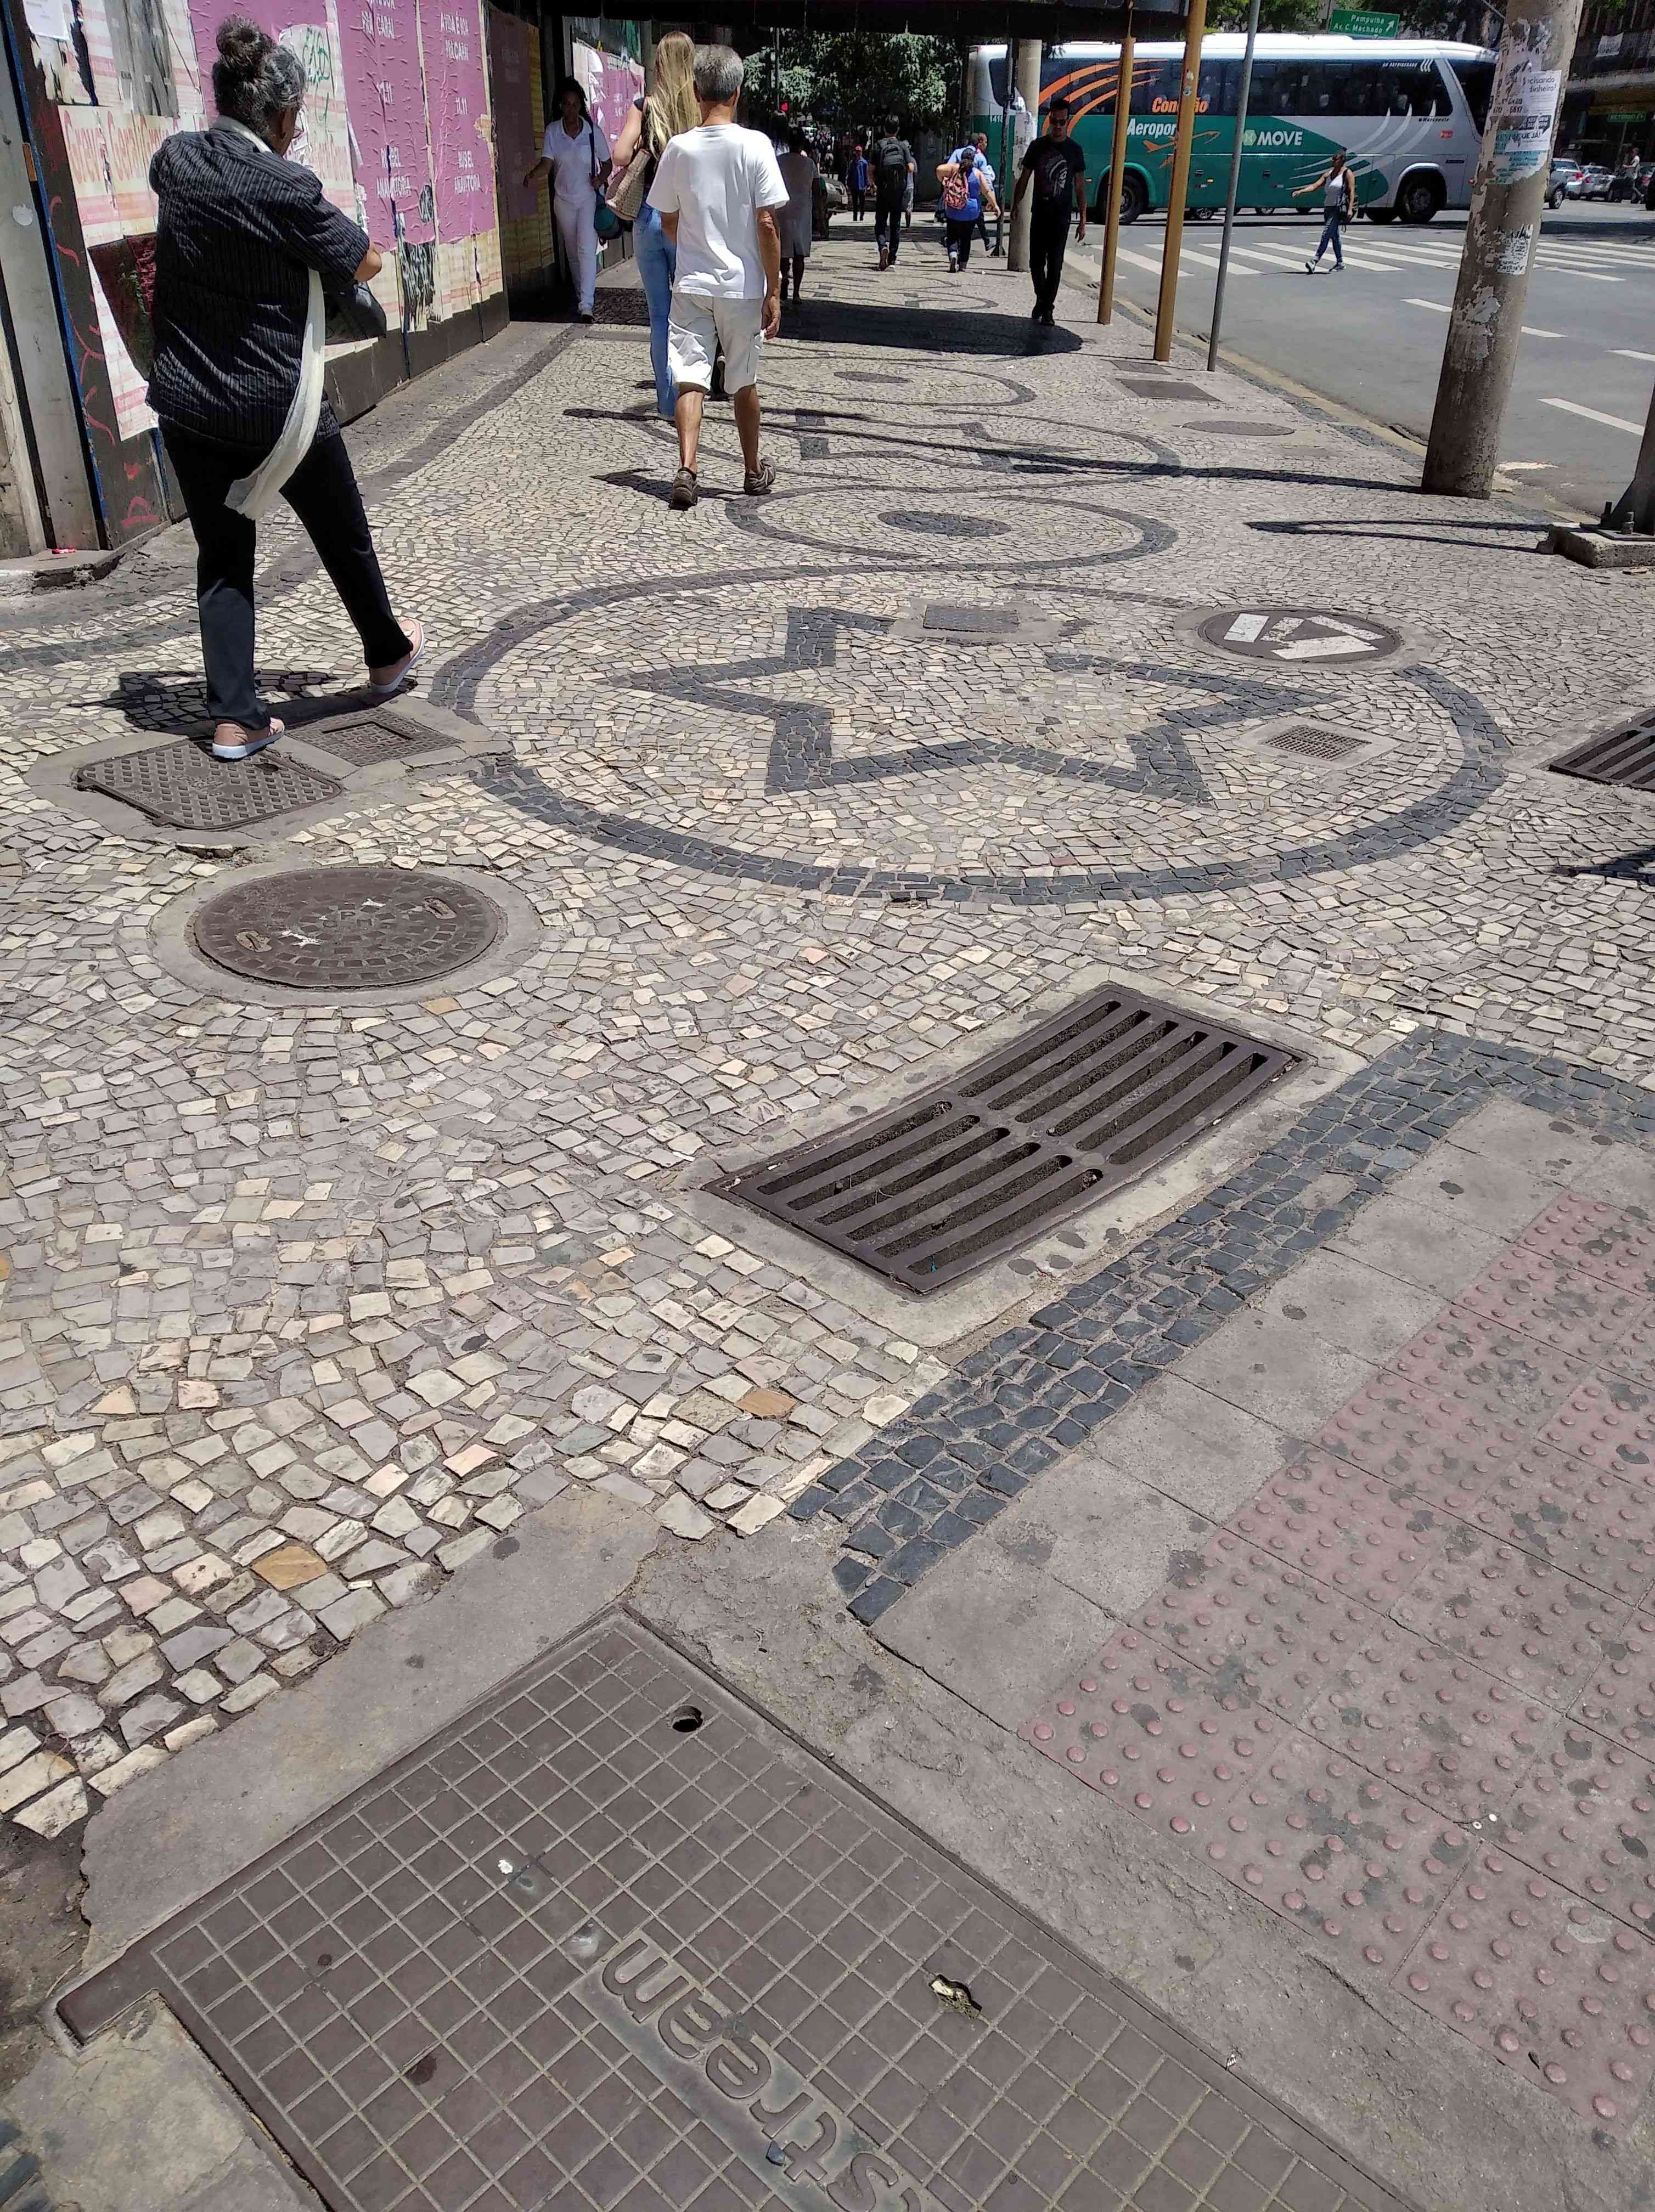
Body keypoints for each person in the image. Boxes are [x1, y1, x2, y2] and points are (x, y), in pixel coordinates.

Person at [148, 15, 420, 763]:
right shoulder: (286, 186)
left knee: (222, 554)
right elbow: (365, 263)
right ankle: (388, 654)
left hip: (188, 400)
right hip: (277, 405)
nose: (297, 130)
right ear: (277, 114)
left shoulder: (176, 161)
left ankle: (235, 720)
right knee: (341, 531)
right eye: (295, 117)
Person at [646, 44, 786, 511]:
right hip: (742, 287)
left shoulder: (679, 148)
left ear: (695, 91)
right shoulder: (756, 146)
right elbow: (767, 223)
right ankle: (752, 470)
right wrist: (774, 288)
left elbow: (667, 220)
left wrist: (692, 243)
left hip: (692, 283)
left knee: (690, 378)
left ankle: (687, 469)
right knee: (743, 380)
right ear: (738, 92)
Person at [603, 32, 697, 417]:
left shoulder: (645, 107)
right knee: (689, 313)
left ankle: (667, 401)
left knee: (659, 314)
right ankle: (691, 397)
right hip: (686, 220)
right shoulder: (697, 107)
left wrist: (645, 143)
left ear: (659, 64)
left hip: (648, 217)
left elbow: (619, 154)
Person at [523, 77, 610, 322]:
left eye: (575, 104)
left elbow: (607, 163)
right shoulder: (553, 132)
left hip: (587, 199)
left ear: (580, 105)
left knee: (586, 248)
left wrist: (600, 179)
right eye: (567, 104)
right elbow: (547, 163)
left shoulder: (592, 131)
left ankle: (587, 305)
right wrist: (532, 176)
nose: (571, 110)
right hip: (563, 201)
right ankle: (582, 293)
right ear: (561, 106)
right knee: (572, 251)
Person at [1010, 95, 1087, 326]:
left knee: (1055, 264)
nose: (1058, 126)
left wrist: (1083, 220)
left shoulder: (1075, 150)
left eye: (1062, 122)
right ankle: (1042, 300)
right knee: (1036, 263)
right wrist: (1016, 205)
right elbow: (1024, 179)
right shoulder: (1037, 147)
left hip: (1061, 216)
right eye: (1054, 121)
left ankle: (1047, 309)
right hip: (1040, 212)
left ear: (1068, 122)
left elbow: (1080, 187)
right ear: (1049, 120)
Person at [937, 138, 999, 272]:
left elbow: (939, 169)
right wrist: (995, 205)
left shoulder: (955, 169)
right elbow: (987, 191)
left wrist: (944, 181)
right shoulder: (977, 173)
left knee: (952, 235)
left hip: (954, 208)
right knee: (966, 238)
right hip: (972, 210)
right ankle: (963, 265)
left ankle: (953, 254)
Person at [775, 125, 817, 303]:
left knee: (783, 252)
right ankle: (797, 293)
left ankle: (784, 278)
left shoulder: (779, 162)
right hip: (802, 211)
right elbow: (817, 189)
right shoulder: (810, 164)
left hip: (782, 209)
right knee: (799, 253)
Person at [868, 114, 915, 269]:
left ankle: (883, 246)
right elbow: (911, 168)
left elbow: (871, 169)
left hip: (883, 189)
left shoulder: (878, 145)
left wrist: (872, 184)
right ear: (898, 129)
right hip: (898, 191)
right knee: (896, 225)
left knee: (880, 224)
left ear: (884, 129)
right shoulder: (902, 146)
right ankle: (892, 257)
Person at [1301, 150, 1355, 272]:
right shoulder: (1329, 174)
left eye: (1335, 159)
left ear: (1342, 160)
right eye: (1333, 158)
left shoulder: (1347, 173)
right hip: (1328, 208)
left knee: (1326, 233)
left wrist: (1350, 209)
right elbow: (1315, 186)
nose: (1333, 161)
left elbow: (1352, 192)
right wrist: (1301, 191)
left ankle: (1314, 260)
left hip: (1338, 209)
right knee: (1334, 236)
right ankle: (1340, 263)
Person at [846, 142, 869, 222]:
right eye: (857, 152)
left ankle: (862, 216)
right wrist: (848, 185)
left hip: (862, 186)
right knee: (855, 203)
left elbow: (866, 175)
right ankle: (855, 218)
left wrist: (867, 186)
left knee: (862, 203)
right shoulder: (852, 163)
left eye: (859, 152)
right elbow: (850, 174)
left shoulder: (864, 163)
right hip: (854, 186)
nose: (858, 153)